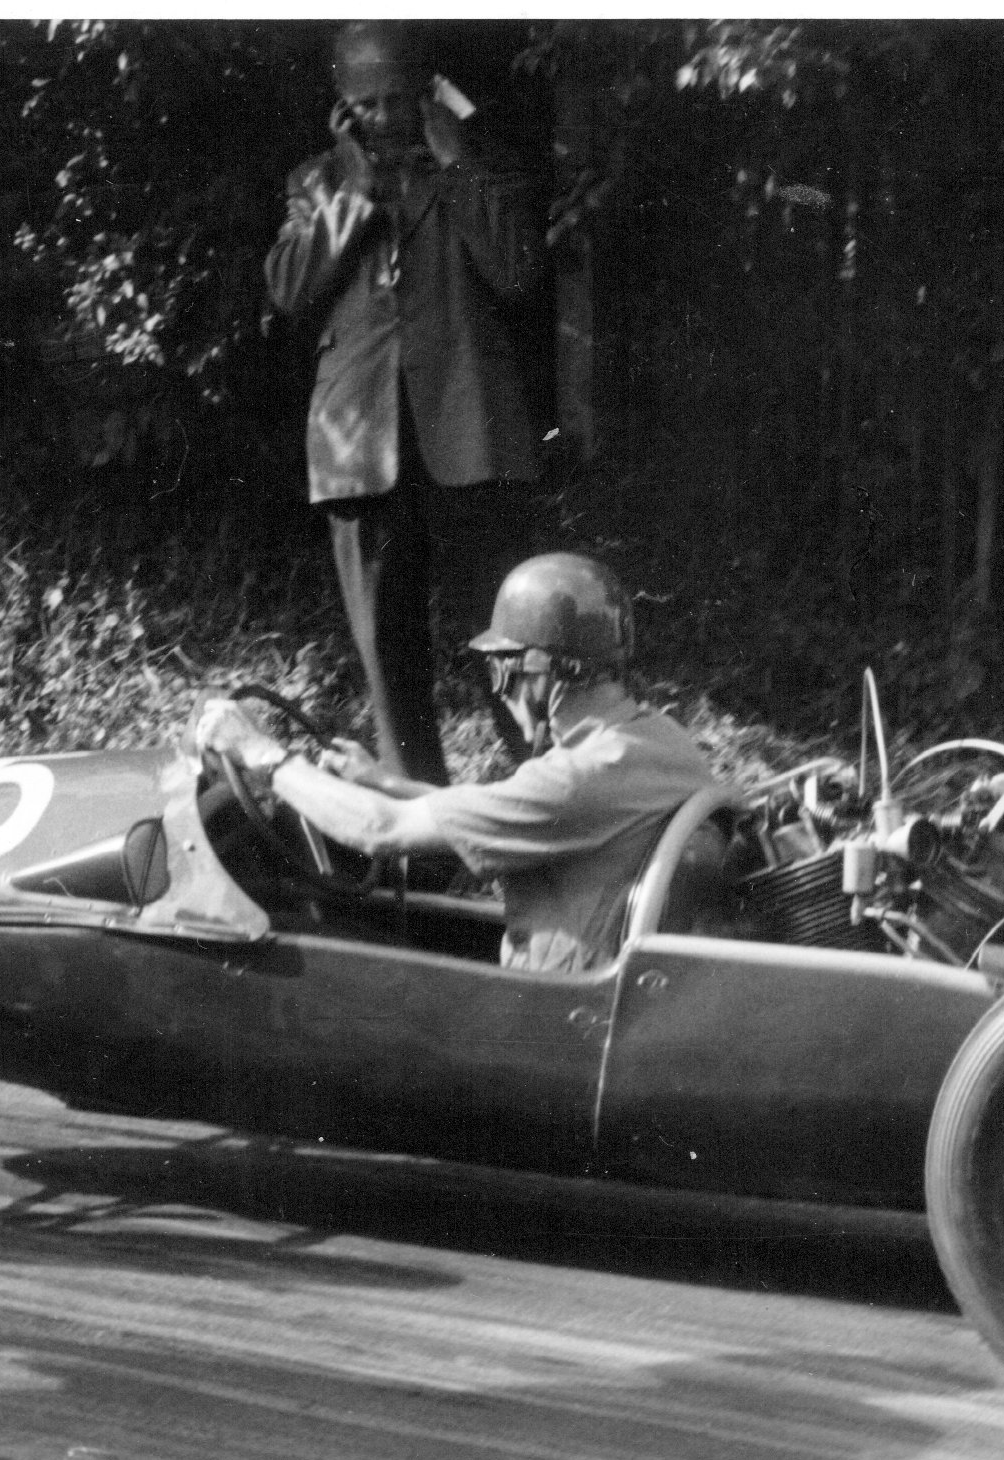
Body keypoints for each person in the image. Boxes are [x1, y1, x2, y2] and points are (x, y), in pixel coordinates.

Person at [198, 552, 719, 973]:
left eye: (498, 672)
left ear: (538, 673)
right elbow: (506, 809)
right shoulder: (655, 739)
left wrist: (263, 755)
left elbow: (383, 831)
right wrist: (384, 781)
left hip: (542, 1013)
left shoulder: (574, 778)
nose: (500, 693)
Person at [265, 20, 545, 787]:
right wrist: (352, 192)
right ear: (342, 107)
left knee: (511, 639)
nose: (384, 118)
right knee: (387, 657)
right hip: (360, 445)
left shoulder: (476, 167)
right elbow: (290, 288)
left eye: (397, 99)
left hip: (471, 432)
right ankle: (419, 835)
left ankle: (545, 805)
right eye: (367, 103)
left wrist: (456, 164)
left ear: (426, 96)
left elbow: (518, 273)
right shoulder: (315, 183)